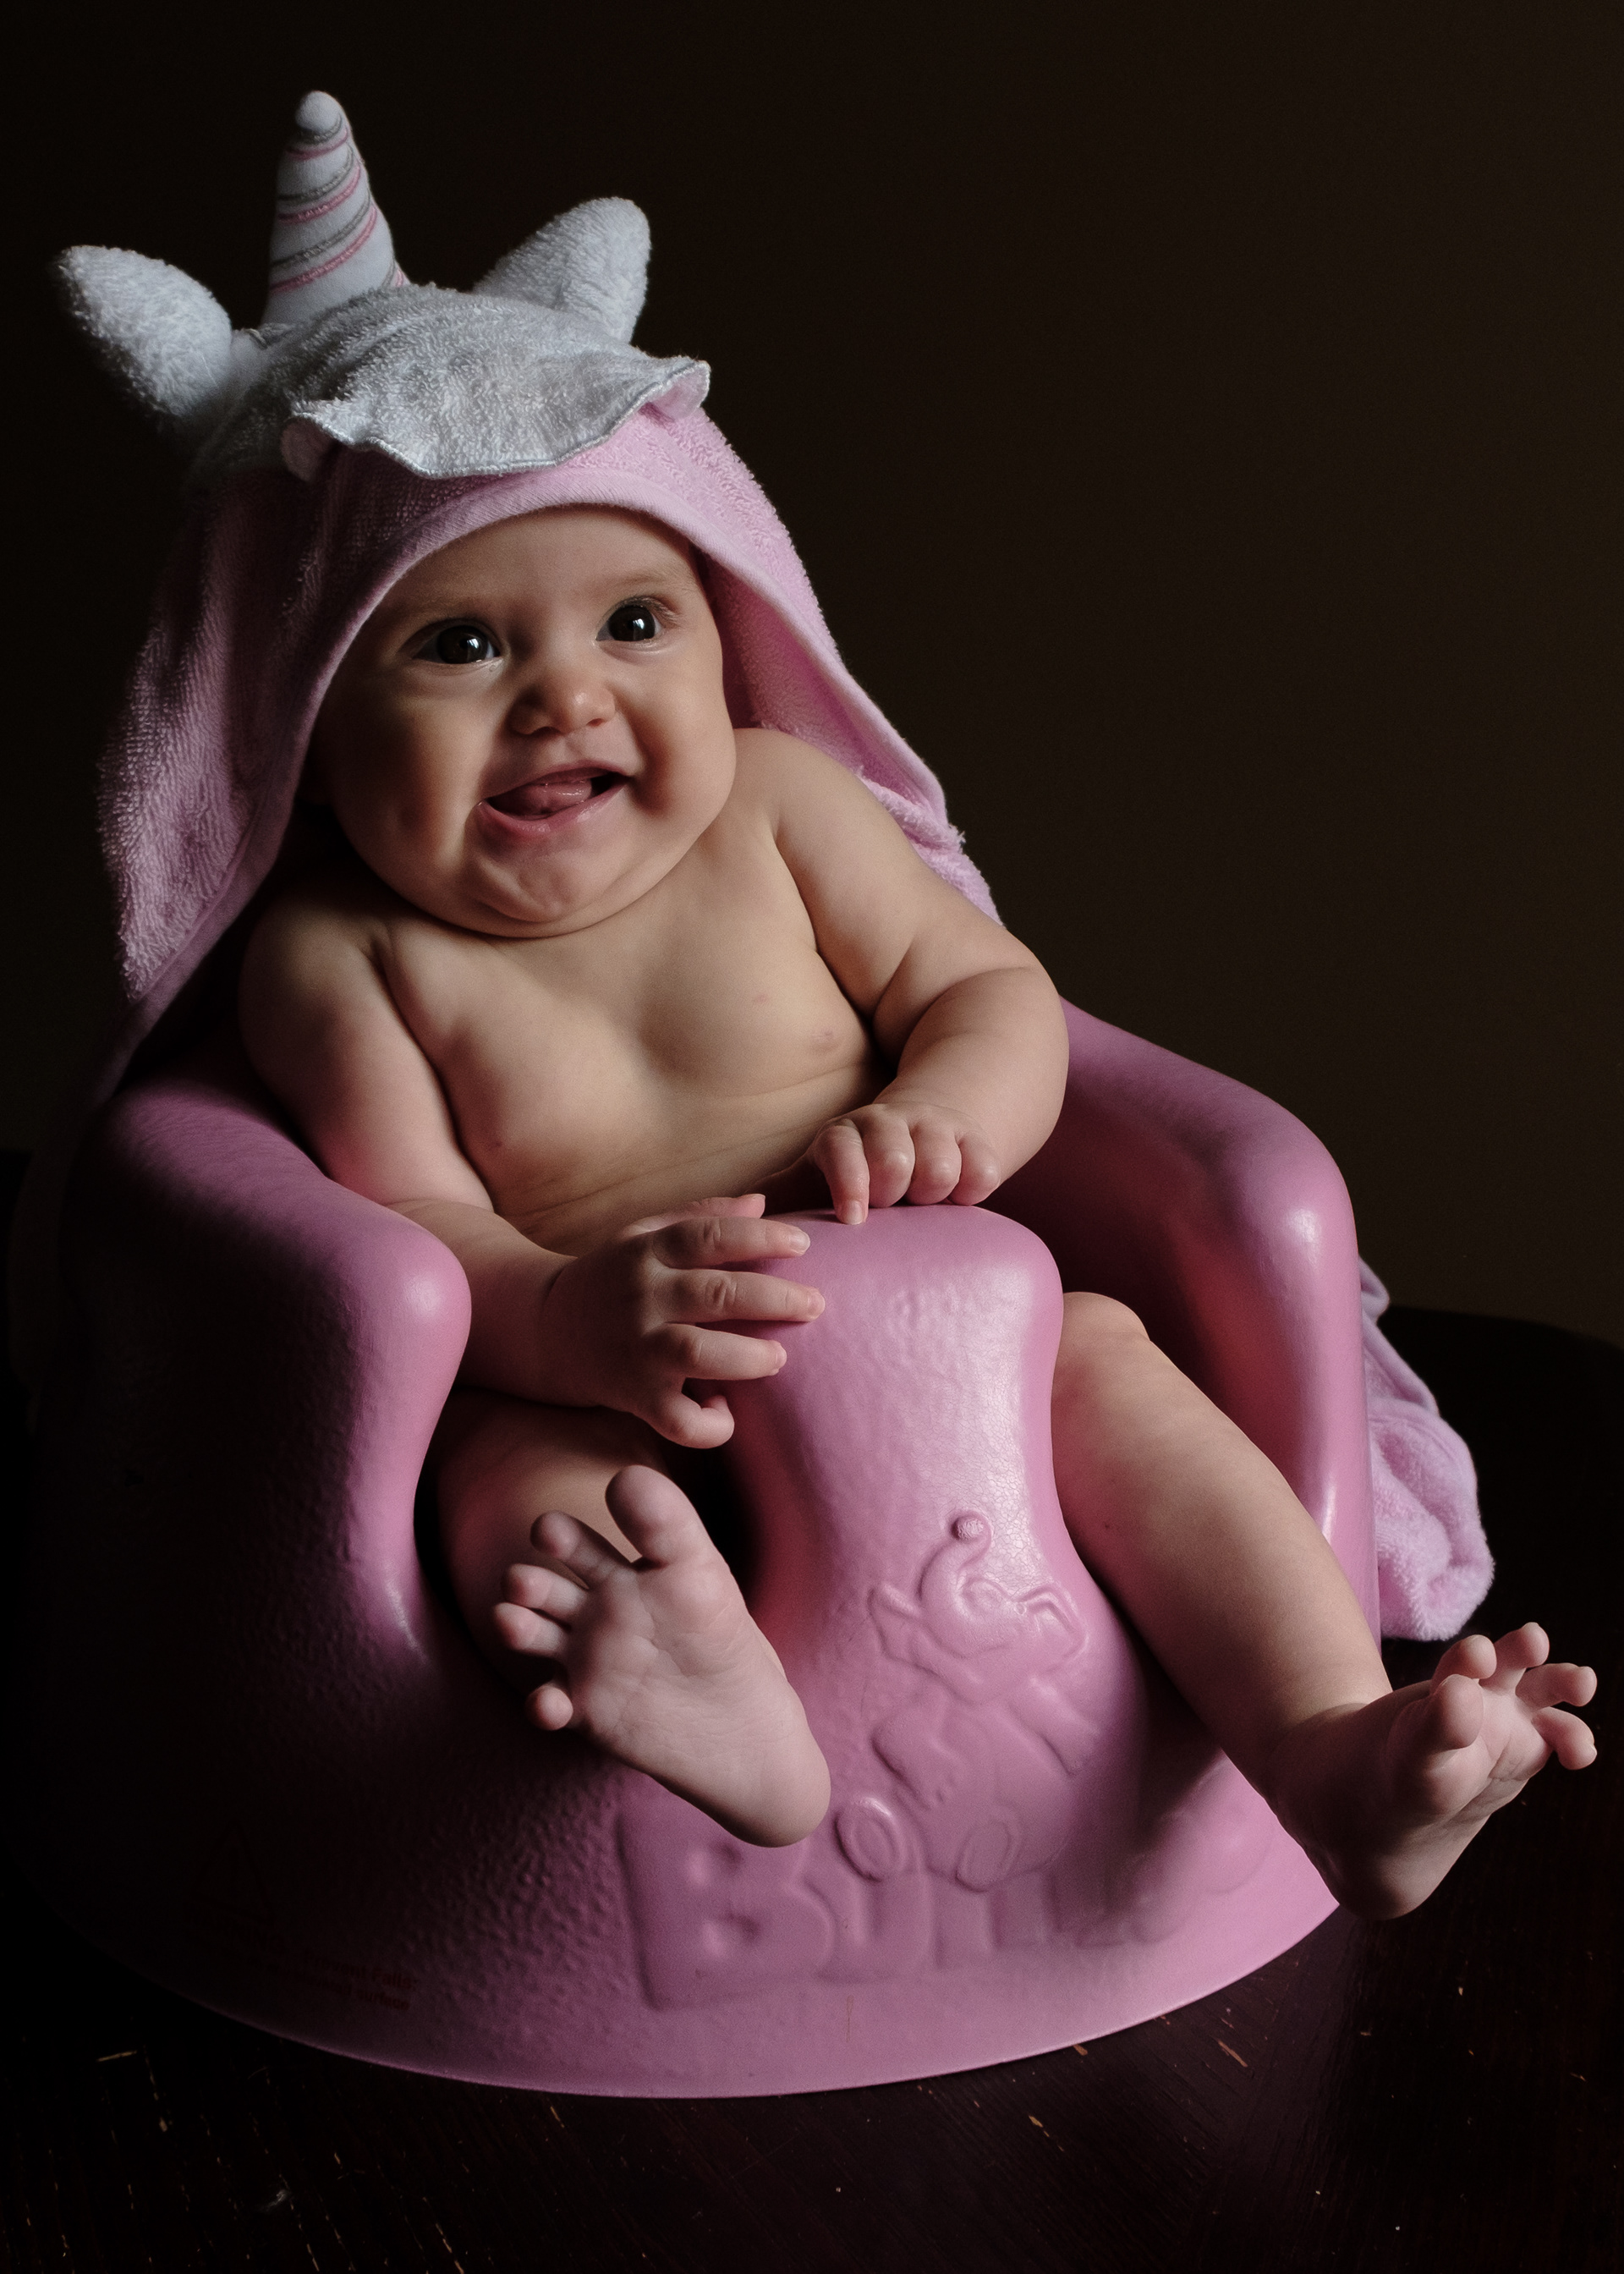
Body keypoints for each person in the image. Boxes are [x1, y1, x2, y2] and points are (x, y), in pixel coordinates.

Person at [236, 497, 1596, 1915]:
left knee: (1104, 1365)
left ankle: (1330, 1745)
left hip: (939, 1346)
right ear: (311, 726)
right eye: (460, 645)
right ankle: (713, 1702)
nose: (566, 697)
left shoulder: (777, 807)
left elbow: (985, 989)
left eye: (635, 622)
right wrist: (572, 1320)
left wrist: (946, 1109)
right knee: (507, 1486)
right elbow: (413, 1229)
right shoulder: (337, 955)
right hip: (617, 1389)